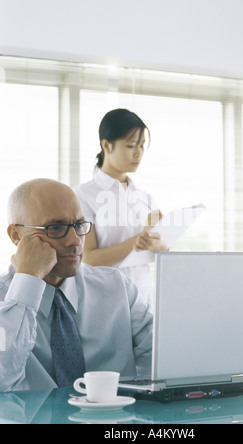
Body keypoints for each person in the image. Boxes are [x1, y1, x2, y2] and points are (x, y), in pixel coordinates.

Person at [0, 178, 152, 392]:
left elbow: (160, 361)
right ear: (16, 236)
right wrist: (28, 278)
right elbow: (2, 379)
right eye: (55, 227)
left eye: (79, 225)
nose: (75, 241)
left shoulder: (118, 287)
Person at [74, 109, 168, 308]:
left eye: (142, 146)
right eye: (131, 145)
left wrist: (160, 246)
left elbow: (161, 254)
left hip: (145, 299)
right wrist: (137, 240)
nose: (138, 153)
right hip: (106, 301)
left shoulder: (146, 198)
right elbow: (89, 259)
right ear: (106, 145)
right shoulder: (82, 196)